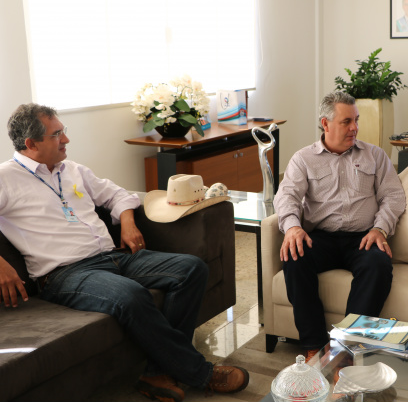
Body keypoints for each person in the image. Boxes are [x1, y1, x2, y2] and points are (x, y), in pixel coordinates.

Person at [0, 103, 249, 402]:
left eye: (64, 131)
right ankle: (201, 374)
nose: (66, 139)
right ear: (31, 144)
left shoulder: (73, 169)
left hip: (112, 256)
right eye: (57, 134)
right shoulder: (6, 178)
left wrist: (128, 223)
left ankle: (157, 371)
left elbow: (118, 194)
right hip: (65, 274)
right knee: (130, 296)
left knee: (192, 269)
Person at [274, 91, 406, 360]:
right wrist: (292, 227)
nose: (355, 127)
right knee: (295, 257)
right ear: (326, 123)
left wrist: (380, 229)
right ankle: (313, 346)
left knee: (378, 265)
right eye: (347, 121)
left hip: (363, 238)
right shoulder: (303, 159)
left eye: (356, 120)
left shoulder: (375, 156)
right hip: (320, 237)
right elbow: (286, 196)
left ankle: (344, 348)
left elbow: (393, 196)